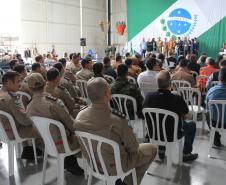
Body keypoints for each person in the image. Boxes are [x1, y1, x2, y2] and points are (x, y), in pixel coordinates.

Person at [75, 77, 156, 185]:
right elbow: (134, 148)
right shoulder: (118, 119)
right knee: (151, 149)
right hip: (116, 165)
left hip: (94, 162)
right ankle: (128, 182)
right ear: (106, 94)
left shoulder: (80, 115)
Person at [26, 73, 84, 175]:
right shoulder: (55, 102)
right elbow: (71, 124)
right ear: (45, 83)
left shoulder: (29, 107)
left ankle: (70, 162)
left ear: (30, 88)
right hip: (65, 144)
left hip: (46, 143)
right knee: (86, 134)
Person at [143, 70, 198, 162]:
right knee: (192, 125)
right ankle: (186, 153)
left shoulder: (148, 97)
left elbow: (144, 114)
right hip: (172, 134)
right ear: (170, 83)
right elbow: (188, 116)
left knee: (160, 122)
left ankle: (161, 149)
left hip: (152, 133)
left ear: (157, 83)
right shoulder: (177, 98)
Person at [0, 71, 39, 159]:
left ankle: (29, 150)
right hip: (15, 132)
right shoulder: (10, 98)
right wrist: (36, 118)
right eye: (18, 81)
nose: (20, 84)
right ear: (9, 83)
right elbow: (24, 121)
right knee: (46, 128)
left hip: (3, 132)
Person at [205, 68, 226, 147]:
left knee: (207, 113)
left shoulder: (211, 91)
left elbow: (207, 106)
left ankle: (216, 138)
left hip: (215, 123)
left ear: (219, 78)